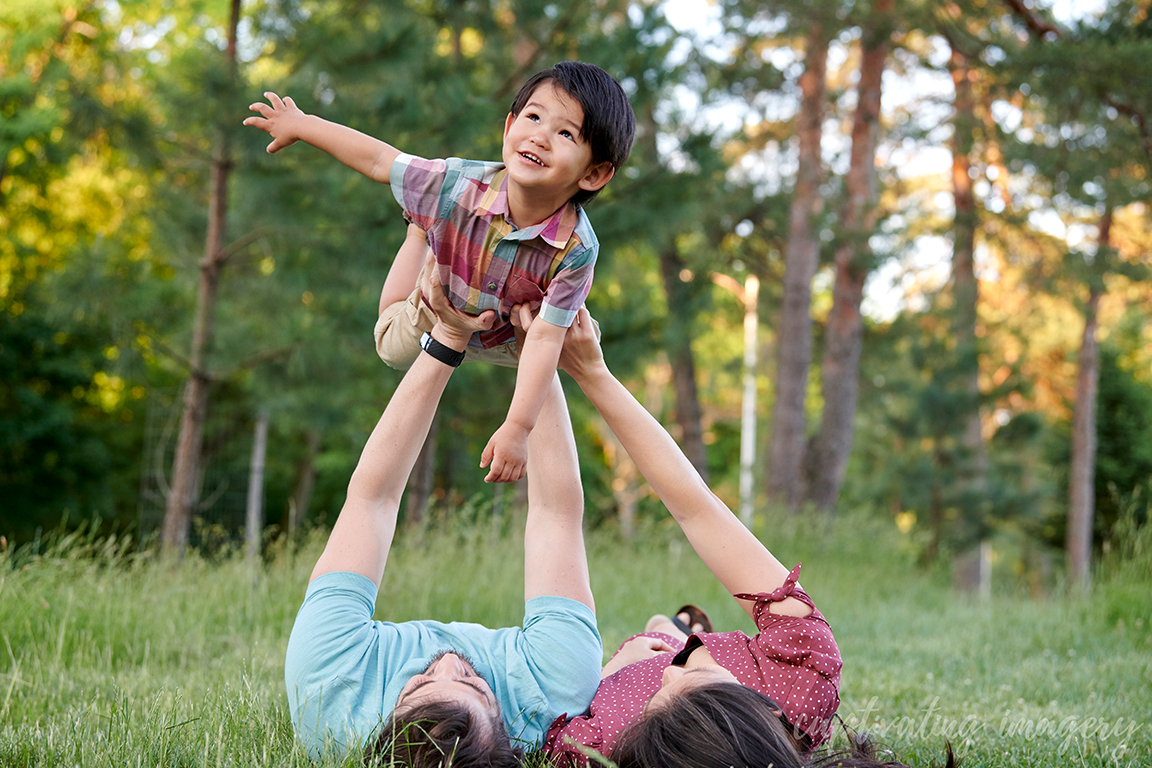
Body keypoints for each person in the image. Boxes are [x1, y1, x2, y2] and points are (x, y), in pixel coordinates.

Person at [243, 61, 635, 485]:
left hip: (511, 332)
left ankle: (426, 225)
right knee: (390, 347)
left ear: (594, 174)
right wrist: (303, 125)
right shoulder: (453, 183)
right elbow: (379, 159)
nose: (540, 136)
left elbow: (543, 338)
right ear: (509, 128)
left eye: (565, 134)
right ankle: (420, 229)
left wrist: (517, 428)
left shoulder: (577, 250)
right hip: (440, 307)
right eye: (534, 117)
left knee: (577, 339)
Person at [283, 259, 602, 765]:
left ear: (385, 718)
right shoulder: (553, 698)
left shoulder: (329, 691)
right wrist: (534, 348)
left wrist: (447, 335)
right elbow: (555, 513)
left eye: (422, 683)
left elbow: (373, 500)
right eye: (475, 684)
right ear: (508, 726)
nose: (451, 664)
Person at [536, 307, 843, 768]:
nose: (682, 659)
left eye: (666, 682)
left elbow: (557, 515)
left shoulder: (596, 748)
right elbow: (694, 508)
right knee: (668, 630)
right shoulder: (801, 678)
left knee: (660, 631)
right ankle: (677, 624)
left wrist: (609, 673)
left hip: (628, 675)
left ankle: (672, 625)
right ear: (759, 714)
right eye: (700, 671)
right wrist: (592, 372)